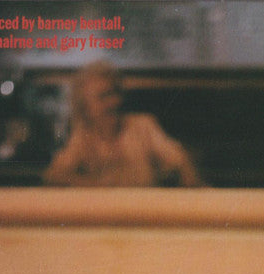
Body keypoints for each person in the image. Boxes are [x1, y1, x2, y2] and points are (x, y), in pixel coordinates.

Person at [44, 61, 200, 187]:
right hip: (106, 214)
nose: (115, 102)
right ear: (86, 108)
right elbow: (53, 176)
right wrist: (96, 187)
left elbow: (180, 162)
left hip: (145, 210)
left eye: (115, 92)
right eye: (104, 96)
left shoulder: (143, 125)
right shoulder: (84, 135)